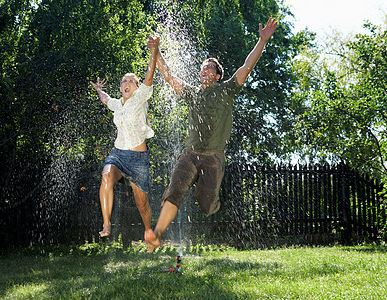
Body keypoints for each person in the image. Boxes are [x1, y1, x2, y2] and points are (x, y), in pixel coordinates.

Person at [145, 18, 278, 252]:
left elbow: (246, 66)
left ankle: (210, 199)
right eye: (202, 66)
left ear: (217, 76)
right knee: (174, 191)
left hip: (213, 158)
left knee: (206, 205)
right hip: (189, 155)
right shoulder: (192, 94)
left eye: (209, 67)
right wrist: (156, 52)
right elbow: (169, 77)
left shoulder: (227, 91)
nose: (204, 69)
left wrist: (262, 40)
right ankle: (156, 234)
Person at [89, 35, 159, 243]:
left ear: (137, 87)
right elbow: (106, 100)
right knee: (106, 177)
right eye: (124, 81)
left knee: (142, 205)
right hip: (118, 155)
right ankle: (106, 223)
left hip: (138, 159)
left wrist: (154, 52)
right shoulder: (117, 104)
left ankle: (149, 231)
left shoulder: (141, 97)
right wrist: (100, 90)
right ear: (121, 88)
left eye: (131, 81)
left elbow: (149, 76)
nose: (127, 83)